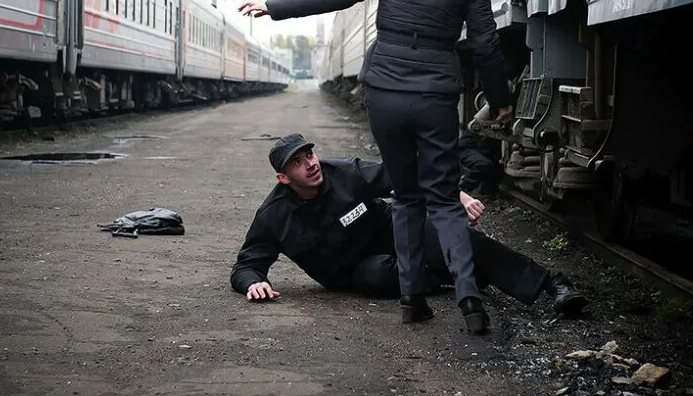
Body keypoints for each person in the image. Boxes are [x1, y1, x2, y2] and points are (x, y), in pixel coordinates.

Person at [239, 0, 514, 334]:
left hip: (385, 91)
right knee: (443, 199)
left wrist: (274, 7)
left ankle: (412, 299)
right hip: (435, 95)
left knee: (405, 197)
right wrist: (500, 102)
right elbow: (485, 44)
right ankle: (469, 300)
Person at [230, 134, 587, 322]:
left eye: (309, 154)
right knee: (377, 278)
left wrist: (456, 195)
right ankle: (449, 275)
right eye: (297, 162)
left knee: (453, 237)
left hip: (391, 230)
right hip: (358, 270)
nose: (310, 164)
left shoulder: (343, 172)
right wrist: (255, 282)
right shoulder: (274, 215)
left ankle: (550, 283)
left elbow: (405, 175)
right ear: (282, 177)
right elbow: (247, 264)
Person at [459, 126, 503, 199]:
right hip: (469, 148)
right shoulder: (485, 117)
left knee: (499, 165)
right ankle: (462, 189)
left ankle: (486, 191)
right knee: (483, 164)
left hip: (486, 150)